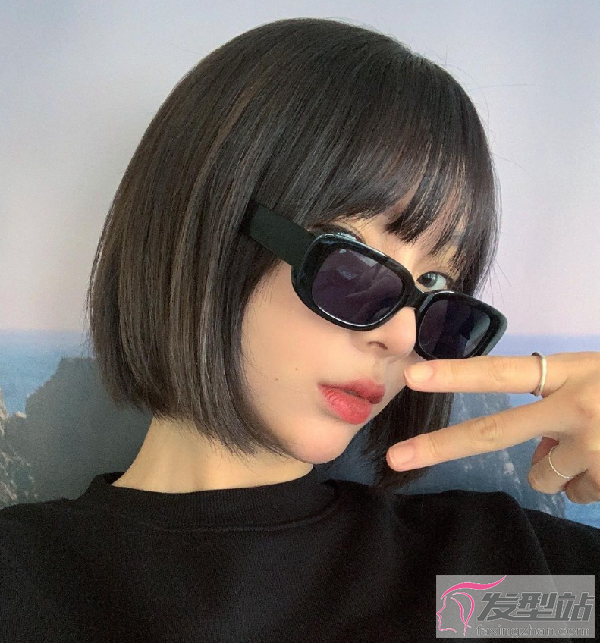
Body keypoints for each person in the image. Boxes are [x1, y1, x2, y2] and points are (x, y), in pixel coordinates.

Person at [1, 17, 599, 643]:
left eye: (436, 290)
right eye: (353, 263)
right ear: (209, 230)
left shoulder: (469, 592)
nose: (401, 338)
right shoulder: (25, 588)